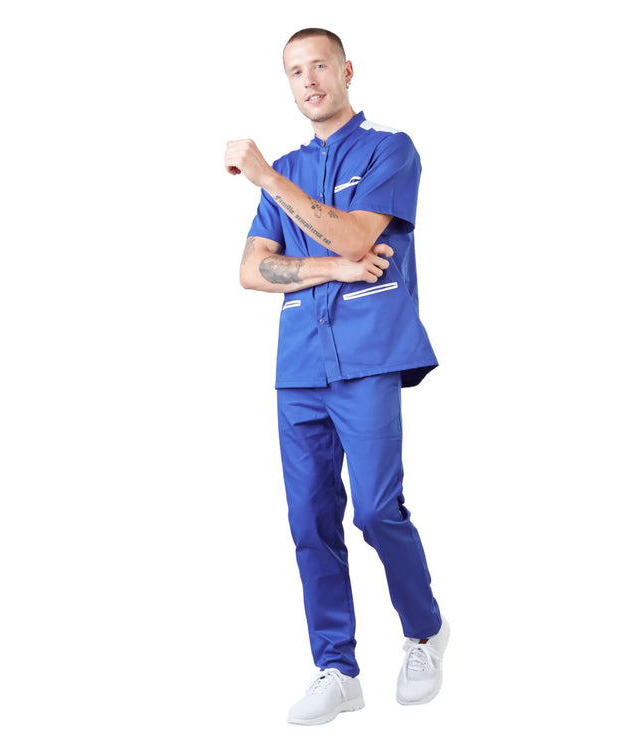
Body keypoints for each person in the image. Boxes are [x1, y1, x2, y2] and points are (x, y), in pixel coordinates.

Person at [224, 28, 449, 726]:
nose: (309, 81)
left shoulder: (389, 149)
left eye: (319, 65)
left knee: (377, 510)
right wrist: (332, 268)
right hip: (300, 367)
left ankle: (425, 631)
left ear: (347, 70)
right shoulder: (292, 165)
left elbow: (358, 236)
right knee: (309, 521)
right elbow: (250, 270)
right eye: (295, 72)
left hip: (368, 355)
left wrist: (267, 178)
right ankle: (337, 668)